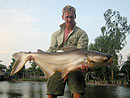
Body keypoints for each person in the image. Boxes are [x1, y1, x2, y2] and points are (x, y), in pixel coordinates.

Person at [47, 5, 89, 98]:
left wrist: (84, 66)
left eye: (71, 17)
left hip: (75, 67)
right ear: (62, 17)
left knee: (78, 94)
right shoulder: (55, 34)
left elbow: (81, 53)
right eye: (67, 17)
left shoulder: (82, 34)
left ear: (75, 16)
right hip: (57, 66)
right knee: (50, 95)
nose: (69, 20)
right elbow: (51, 50)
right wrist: (37, 55)